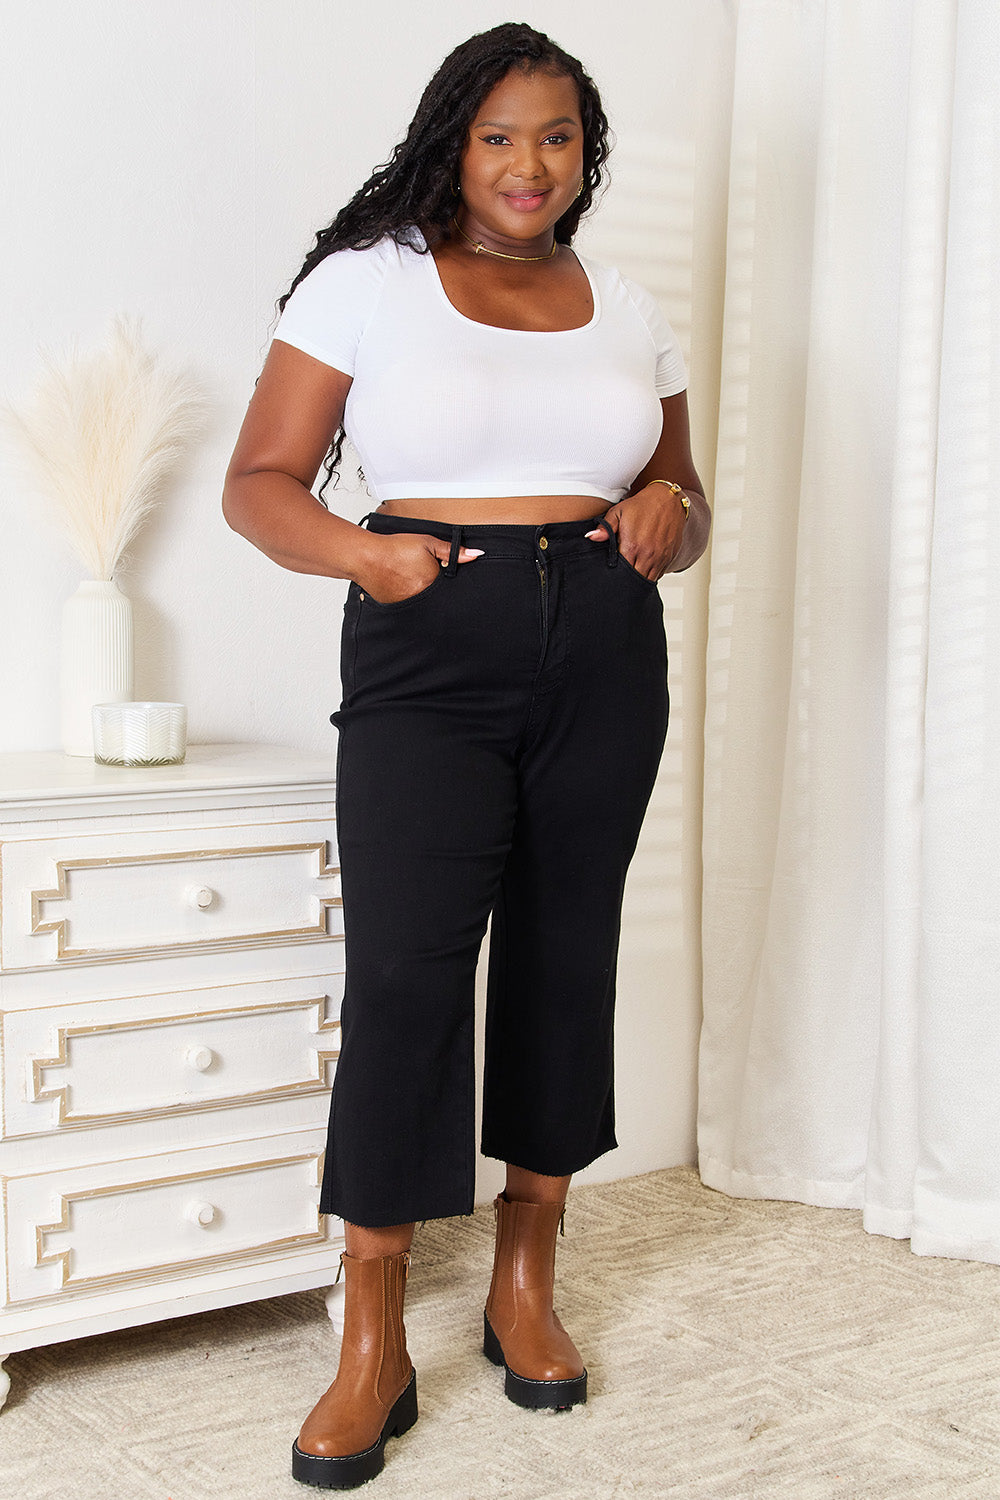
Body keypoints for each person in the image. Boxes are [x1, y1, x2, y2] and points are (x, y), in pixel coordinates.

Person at [223, 20, 710, 1490]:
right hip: (431, 643)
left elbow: (683, 489)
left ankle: (524, 1283)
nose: (527, 164)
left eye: (555, 137)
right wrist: (369, 562)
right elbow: (258, 485)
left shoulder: (624, 302)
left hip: (605, 649)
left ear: (587, 153)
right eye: (499, 135)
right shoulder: (363, 285)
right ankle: (372, 1335)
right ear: (454, 140)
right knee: (408, 976)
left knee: (570, 952)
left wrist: (669, 521)